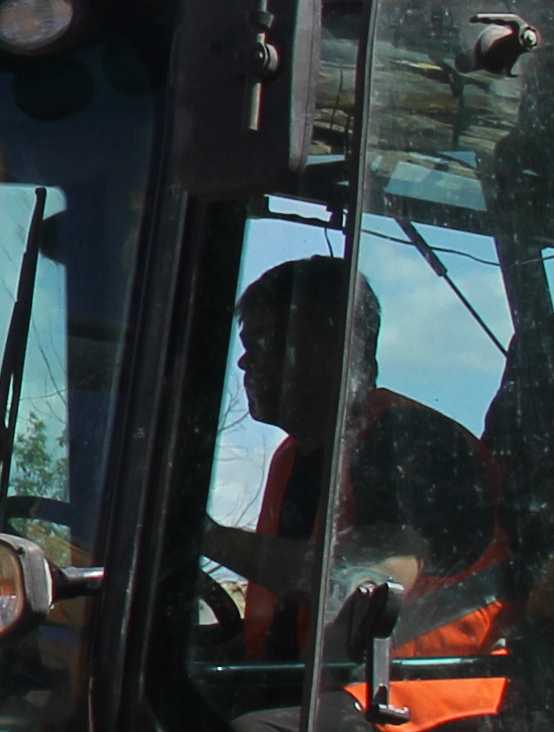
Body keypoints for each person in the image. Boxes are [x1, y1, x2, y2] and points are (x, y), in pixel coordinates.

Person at [202, 256, 506, 684]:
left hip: (408, 704)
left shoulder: (407, 443)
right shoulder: (296, 455)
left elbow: (358, 589)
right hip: (331, 695)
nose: (244, 364)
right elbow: (293, 629)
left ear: (328, 346)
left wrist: (206, 537)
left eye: (262, 343)